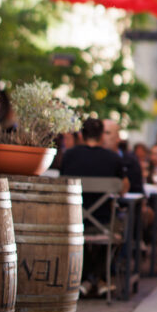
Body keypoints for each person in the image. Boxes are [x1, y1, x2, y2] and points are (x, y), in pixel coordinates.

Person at [60, 116, 129, 297]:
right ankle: (97, 279)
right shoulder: (113, 159)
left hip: (72, 222)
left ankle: (86, 280)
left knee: (89, 237)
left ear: (81, 136)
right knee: (121, 229)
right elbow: (123, 189)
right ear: (101, 136)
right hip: (103, 223)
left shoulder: (69, 156)